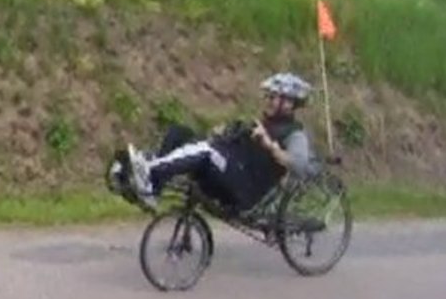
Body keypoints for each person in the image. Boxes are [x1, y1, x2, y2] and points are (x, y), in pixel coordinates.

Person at [107, 73, 318, 216]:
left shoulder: (294, 134)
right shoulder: (262, 123)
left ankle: (150, 172)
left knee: (206, 151)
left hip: (245, 191)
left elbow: (299, 166)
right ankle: (151, 186)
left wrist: (270, 145)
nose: (270, 101)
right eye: (269, 97)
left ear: (290, 103)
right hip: (231, 173)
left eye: (276, 98)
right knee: (179, 133)